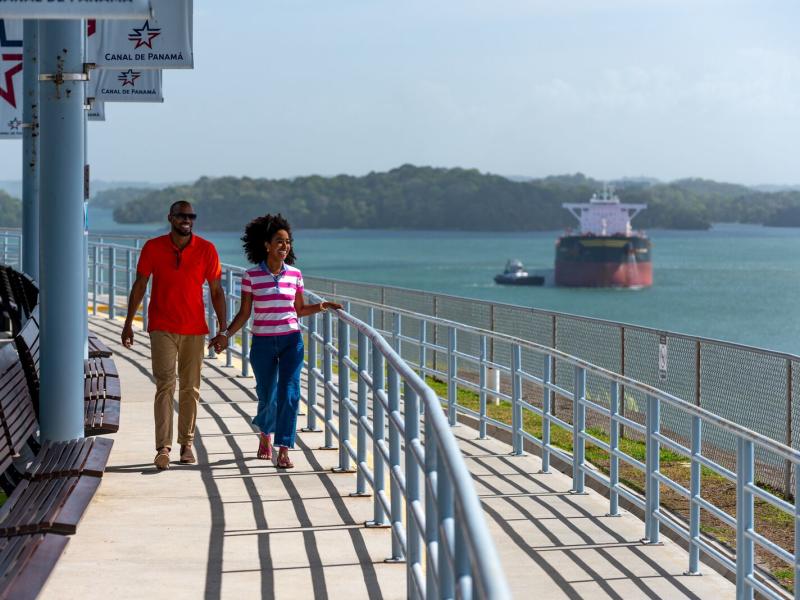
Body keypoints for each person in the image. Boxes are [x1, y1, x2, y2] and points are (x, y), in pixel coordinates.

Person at [209, 214, 340, 468]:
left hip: (292, 341)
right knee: (268, 395)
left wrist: (322, 306)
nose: (285, 246)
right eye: (279, 241)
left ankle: (284, 448)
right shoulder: (251, 276)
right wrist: (225, 335)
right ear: (267, 245)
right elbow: (245, 313)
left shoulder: (295, 275)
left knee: (289, 395)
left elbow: (299, 309)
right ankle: (265, 434)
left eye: (288, 242)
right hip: (263, 343)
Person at [121, 201, 227, 470]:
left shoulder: (206, 250)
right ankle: (163, 447)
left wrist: (223, 330)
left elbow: (216, 291)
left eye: (191, 216)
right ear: (170, 217)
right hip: (162, 327)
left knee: (190, 387)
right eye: (182, 216)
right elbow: (140, 284)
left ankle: (186, 443)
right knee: (165, 384)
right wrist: (128, 323)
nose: (187, 220)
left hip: (194, 329)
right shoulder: (153, 247)